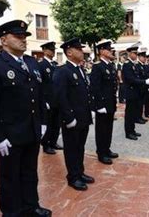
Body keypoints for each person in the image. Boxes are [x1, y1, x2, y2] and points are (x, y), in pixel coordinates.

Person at [0, 20, 51, 216]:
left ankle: (31, 205)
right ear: (4, 40)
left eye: (24, 36)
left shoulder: (32, 62)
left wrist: (42, 122)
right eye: (18, 36)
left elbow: (39, 94)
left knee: (30, 173)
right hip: (9, 134)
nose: (23, 40)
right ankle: (11, 212)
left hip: (31, 130)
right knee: (9, 178)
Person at [53, 38, 95, 191]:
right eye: (78, 49)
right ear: (69, 52)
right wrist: (69, 118)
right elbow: (60, 97)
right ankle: (73, 177)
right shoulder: (62, 71)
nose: (81, 51)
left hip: (83, 117)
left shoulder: (79, 69)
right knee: (71, 148)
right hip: (72, 119)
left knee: (80, 147)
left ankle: (80, 172)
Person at [90, 39, 119, 165]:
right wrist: (99, 105)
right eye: (108, 49)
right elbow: (95, 88)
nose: (110, 51)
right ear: (101, 51)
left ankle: (107, 149)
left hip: (110, 103)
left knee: (109, 128)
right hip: (102, 105)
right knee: (101, 129)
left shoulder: (111, 65)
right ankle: (101, 153)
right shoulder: (97, 67)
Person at [122, 46, 149, 140]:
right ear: (129, 54)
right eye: (134, 53)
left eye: (136, 53)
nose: (136, 55)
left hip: (135, 92)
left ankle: (132, 130)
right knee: (129, 114)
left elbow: (138, 77)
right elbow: (131, 79)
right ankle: (128, 132)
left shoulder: (134, 64)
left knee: (133, 113)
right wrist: (144, 82)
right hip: (130, 92)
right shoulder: (127, 65)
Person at [38, 41, 62, 155]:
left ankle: (53, 141)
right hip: (47, 99)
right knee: (48, 123)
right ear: (44, 51)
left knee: (56, 123)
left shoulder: (55, 64)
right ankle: (46, 144)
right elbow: (40, 85)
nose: (53, 52)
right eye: (50, 50)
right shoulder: (41, 65)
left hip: (56, 98)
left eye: (53, 50)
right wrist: (44, 100)